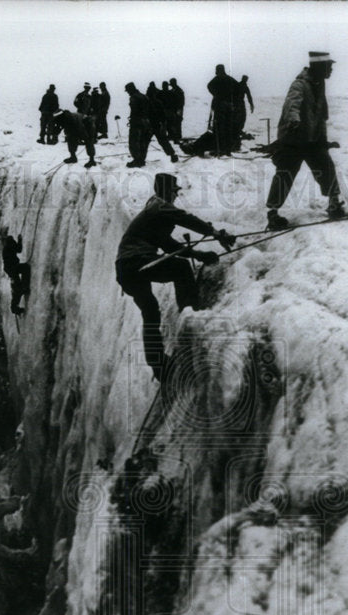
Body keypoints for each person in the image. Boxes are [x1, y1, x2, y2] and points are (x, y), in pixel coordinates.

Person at [115, 173, 236, 381]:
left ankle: (159, 366)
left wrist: (199, 255)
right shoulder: (159, 206)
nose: (175, 195)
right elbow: (186, 219)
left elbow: (169, 246)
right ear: (166, 190)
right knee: (180, 269)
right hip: (138, 261)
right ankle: (191, 316)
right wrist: (215, 233)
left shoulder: (151, 215)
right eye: (174, 191)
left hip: (126, 269)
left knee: (150, 311)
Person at [265, 51, 345, 230]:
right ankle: (272, 214)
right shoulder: (299, 84)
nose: (331, 70)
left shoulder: (319, 84)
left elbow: (321, 115)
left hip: (313, 140)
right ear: (319, 67)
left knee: (326, 168)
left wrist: (323, 140)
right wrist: (294, 121)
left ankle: (334, 204)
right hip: (294, 140)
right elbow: (291, 104)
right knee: (285, 175)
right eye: (328, 66)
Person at [207, 64, 238, 156]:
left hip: (220, 106)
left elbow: (209, 86)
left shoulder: (217, 79)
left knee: (218, 128)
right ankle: (228, 150)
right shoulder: (230, 79)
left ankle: (219, 149)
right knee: (228, 128)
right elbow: (238, 88)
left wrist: (216, 95)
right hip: (229, 106)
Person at [147, 82, 179, 162]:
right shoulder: (158, 101)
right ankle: (172, 154)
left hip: (153, 125)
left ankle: (139, 159)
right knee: (163, 141)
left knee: (145, 142)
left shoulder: (149, 102)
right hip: (158, 124)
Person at [1, 234, 30, 315]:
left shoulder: (8, 246)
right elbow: (18, 249)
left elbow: (18, 249)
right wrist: (19, 240)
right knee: (18, 287)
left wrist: (19, 240)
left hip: (11, 268)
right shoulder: (7, 248)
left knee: (25, 269)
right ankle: (14, 308)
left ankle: (24, 287)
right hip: (12, 269)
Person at [232, 74, 254, 149]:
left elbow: (249, 96)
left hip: (236, 104)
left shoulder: (237, 85)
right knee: (241, 118)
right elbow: (249, 96)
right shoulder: (244, 86)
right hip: (239, 104)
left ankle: (237, 132)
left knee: (238, 119)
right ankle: (237, 132)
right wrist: (251, 105)